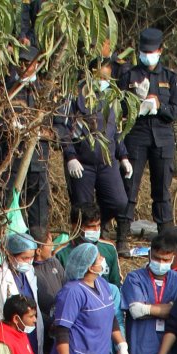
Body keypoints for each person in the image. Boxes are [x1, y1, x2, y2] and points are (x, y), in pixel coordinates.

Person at [117, 28, 177, 253]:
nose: (148, 55)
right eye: (144, 51)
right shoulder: (129, 76)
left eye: (152, 51)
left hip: (163, 137)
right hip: (136, 134)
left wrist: (159, 105)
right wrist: (137, 102)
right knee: (129, 185)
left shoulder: (170, 78)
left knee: (162, 189)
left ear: (160, 51)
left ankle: (165, 241)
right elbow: (118, 107)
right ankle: (122, 238)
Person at [44, 242, 130, 354]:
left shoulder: (103, 285)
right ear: (90, 266)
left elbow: (110, 316)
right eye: (99, 257)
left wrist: (121, 345)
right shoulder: (72, 292)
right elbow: (62, 329)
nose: (103, 259)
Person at [56, 57, 131, 241]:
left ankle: (97, 224)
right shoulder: (74, 95)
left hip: (107, 160)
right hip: (82, 162)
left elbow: (116, 130)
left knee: (119, 201)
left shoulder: (112, 97)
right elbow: (62, 127)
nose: (103, 81)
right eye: (99, 76)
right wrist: (70, 156)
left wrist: (123, 157)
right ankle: (82, 240)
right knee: (82, 207)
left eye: (107, 77)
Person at [0, 45, 51, 233]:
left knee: (38, 211)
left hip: (37, 160)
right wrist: (11, 128)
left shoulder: (45, 91)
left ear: (37, 64)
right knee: (8, 206)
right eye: (20, 63)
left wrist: (37, 131)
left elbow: (59, 129)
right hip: (12, 161)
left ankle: (37, 246)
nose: (24, 67)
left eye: (29, 63)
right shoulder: (7, 90)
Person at [57, 203, 122, 286]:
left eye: (98, 225)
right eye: (91, 227)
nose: (96, 230)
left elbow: (116, 283)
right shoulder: (61, 254)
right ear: (75, 226)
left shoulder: (109, 249)